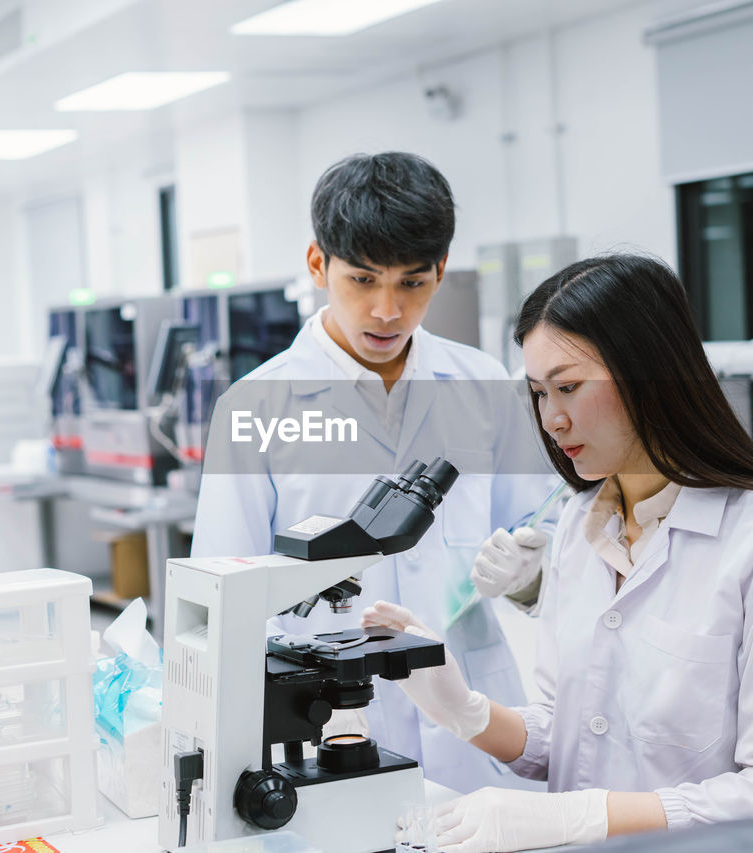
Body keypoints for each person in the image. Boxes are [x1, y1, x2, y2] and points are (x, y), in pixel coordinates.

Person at [363, 253, 753, 851]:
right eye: (539, 394)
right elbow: (565, 731)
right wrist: (464, 709)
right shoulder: (580, 524)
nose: (552, 419)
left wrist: (582, 817)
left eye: (568, 387)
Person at [191, 152, 558, 794]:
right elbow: (219, 590)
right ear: (317, 265)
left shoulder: (482, 386)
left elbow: (541, 522)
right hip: (327, 711)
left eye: (411, 283)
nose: (386, 310)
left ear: (441, 271)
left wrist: (532, 575)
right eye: (362, 280)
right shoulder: (256, 406)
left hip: (474, 714)